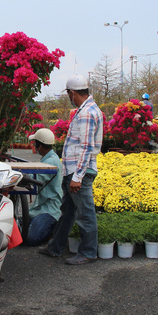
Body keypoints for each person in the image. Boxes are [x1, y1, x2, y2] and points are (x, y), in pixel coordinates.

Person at [38, 74, 103, 265]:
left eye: (68, 94)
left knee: (85, 213)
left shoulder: (86, 113)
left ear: (72, 93)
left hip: (79, 172)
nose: (69, 97)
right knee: (67, 211)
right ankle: (55, 247)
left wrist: (78, 176)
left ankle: (88, 252)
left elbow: (86, 147)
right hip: (74, 172)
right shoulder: (87, 110)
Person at [24, 128, 62, 246]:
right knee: (19, 227)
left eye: (35, 144)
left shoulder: (51, 162)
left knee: (31, 238)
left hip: (49, 209)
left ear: (39, 146)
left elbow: (34, 178)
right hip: (41, 207)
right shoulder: (50, 158)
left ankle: (53, 230)